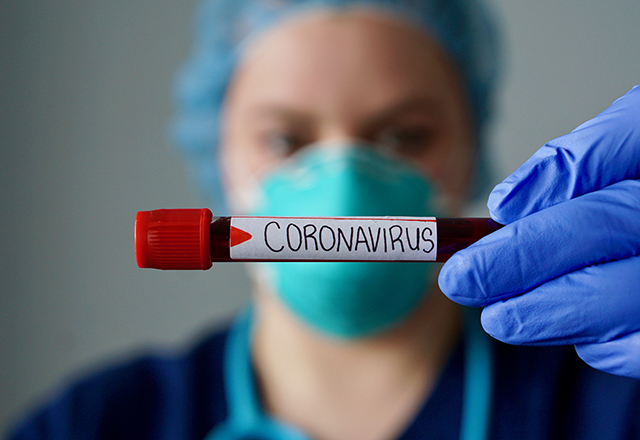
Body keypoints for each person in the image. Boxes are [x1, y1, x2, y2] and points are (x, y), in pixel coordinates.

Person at [8, 0, 640, 439]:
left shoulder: (612, 403)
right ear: (217, 156)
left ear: (471, 148)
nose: (343, 181)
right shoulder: (97, 425)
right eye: (284, 141)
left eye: (401, 137)